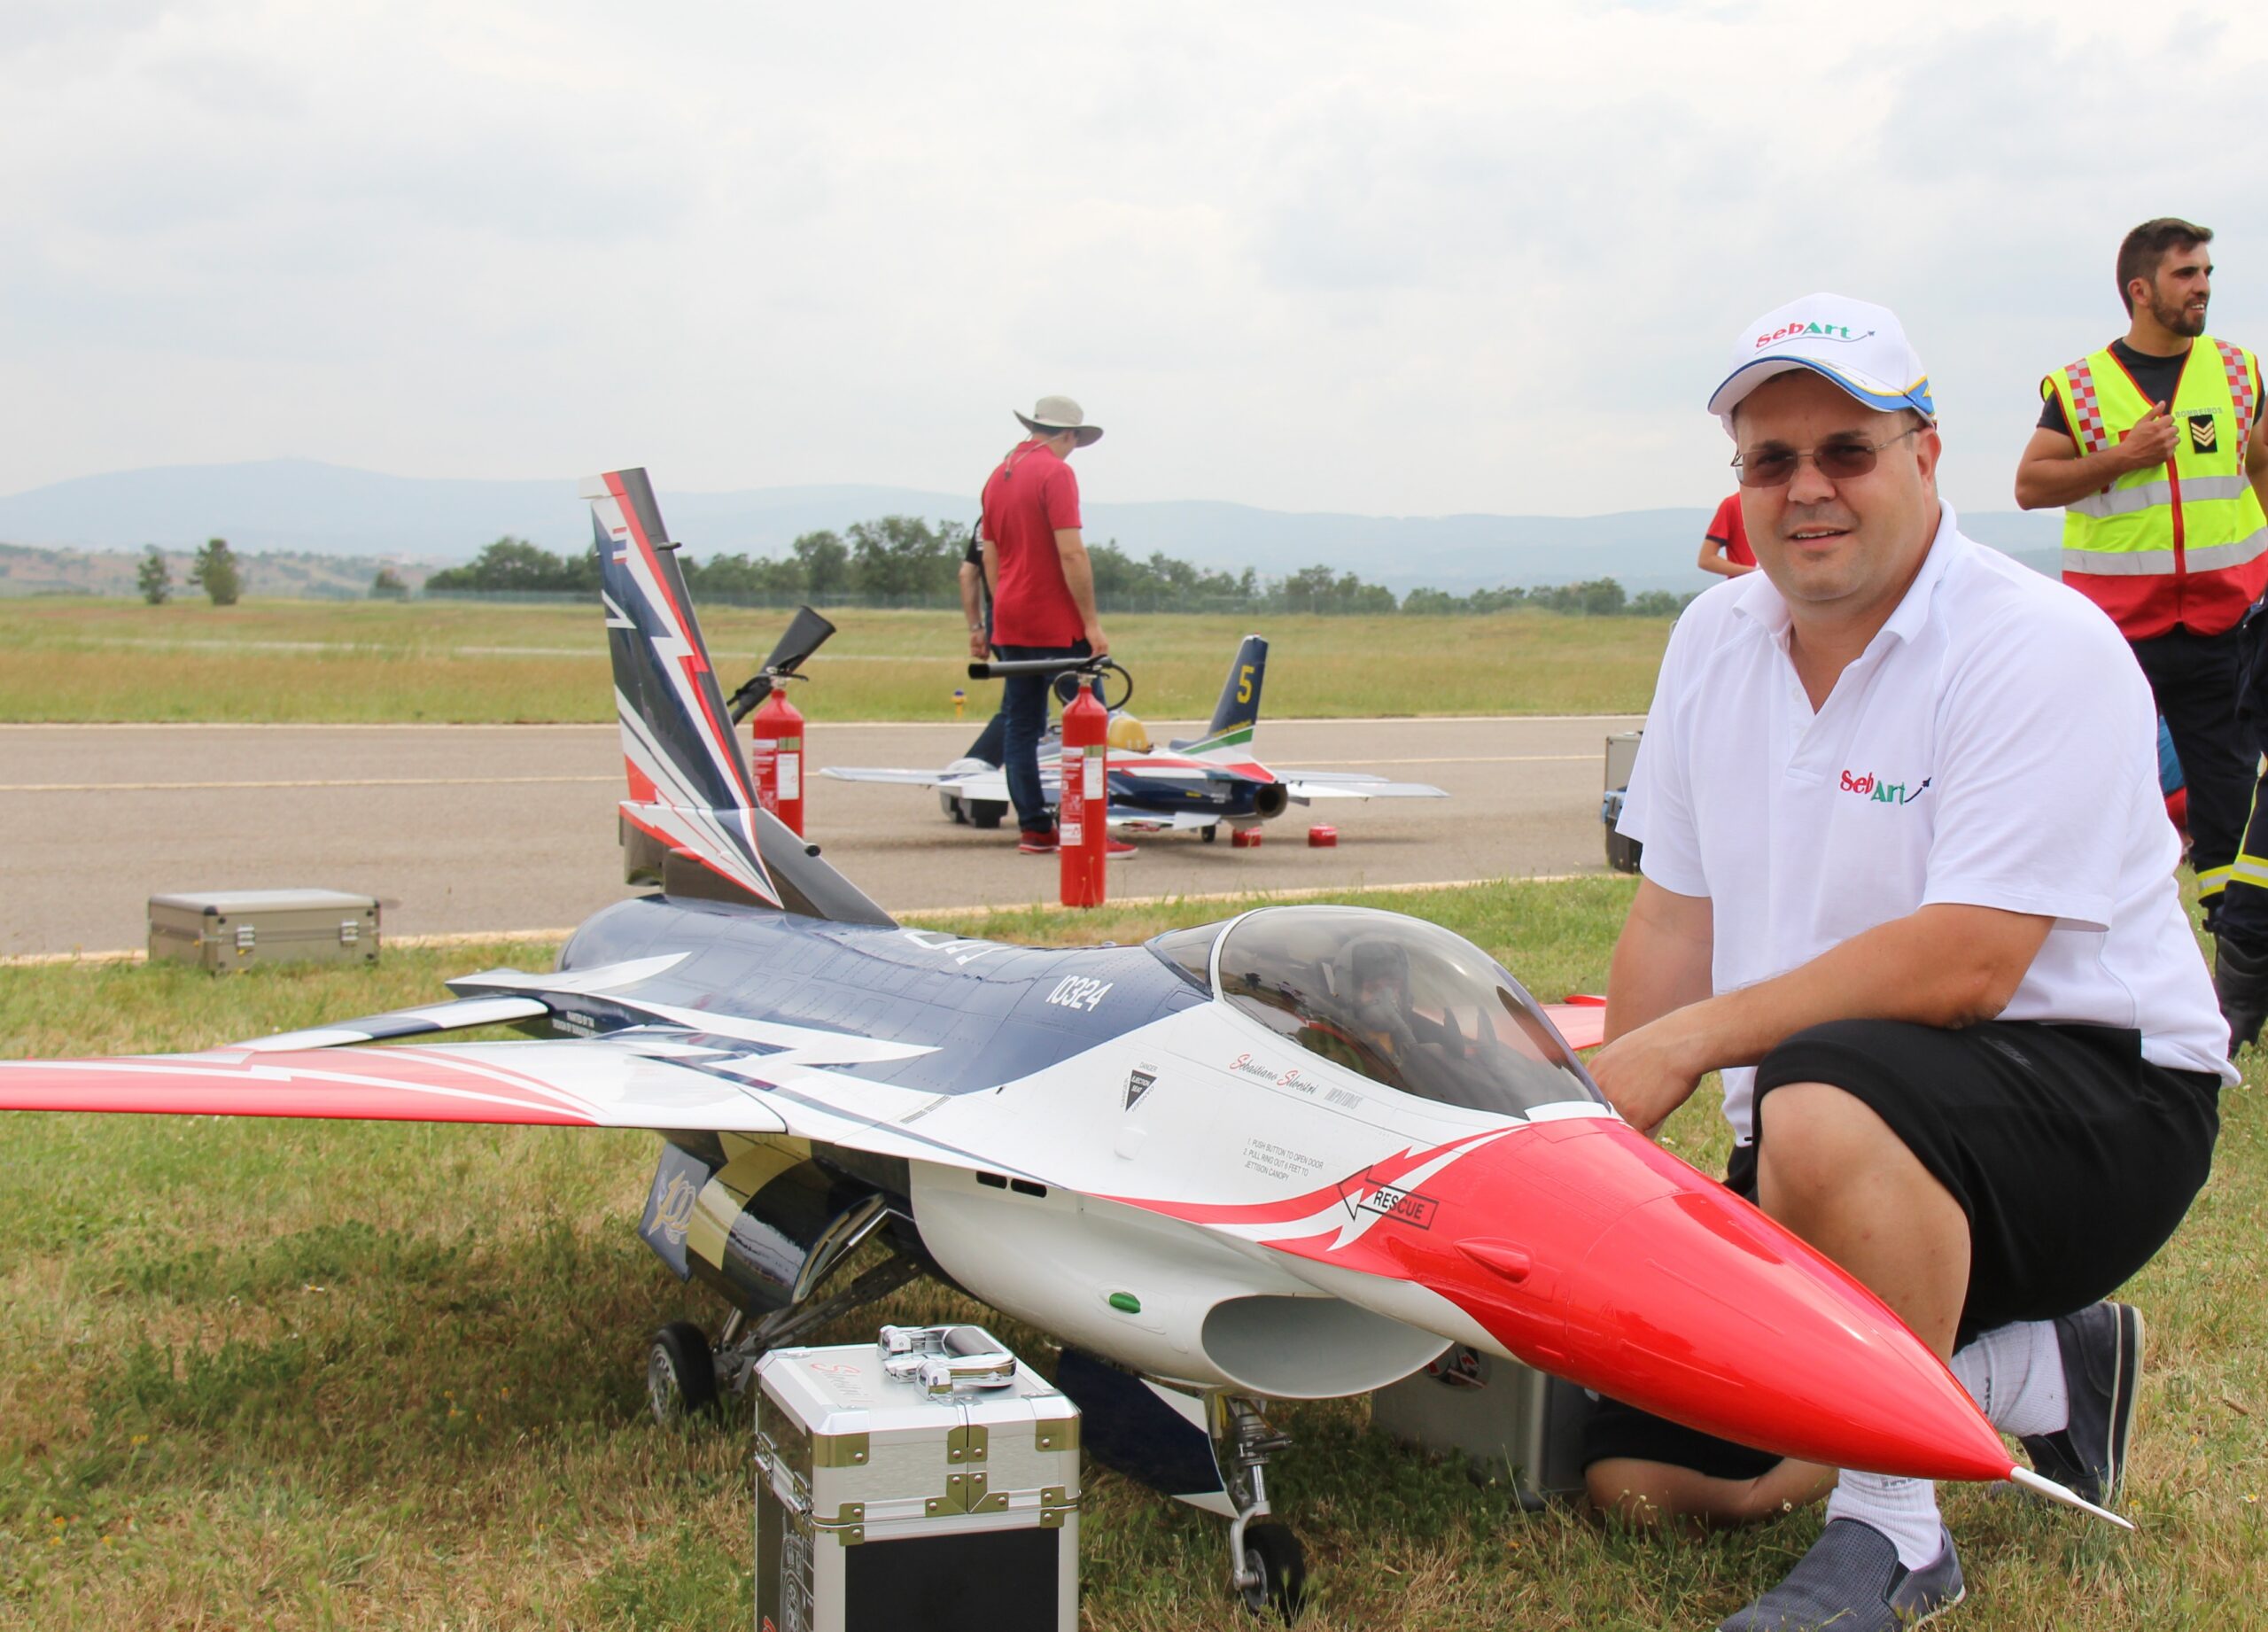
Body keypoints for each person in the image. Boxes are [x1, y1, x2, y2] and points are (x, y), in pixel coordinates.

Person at [1595, 292, 2230, 1632]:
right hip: (1847, 1120)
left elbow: (1970, 966)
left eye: (1847, 450)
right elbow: (1673, 917)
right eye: (1771, 460)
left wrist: (1690, 1043)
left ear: (1926, 455)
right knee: (1629, 1470)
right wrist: (1611, 1157)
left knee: (1821, 1086)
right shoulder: (1713, 643)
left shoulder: (2035, 642)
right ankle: (2030, 1376)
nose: (1807, 489)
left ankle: (1895, 1530)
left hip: (2101, 1100)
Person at [2013, 218, 2268, 1046]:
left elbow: (2257, 460)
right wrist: (2120, 458)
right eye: (2188, 274)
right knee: (2089, 797)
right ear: (2140, 290)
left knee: (2234, 809)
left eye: (2207, 272)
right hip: (2117, 636)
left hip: (2225, 625)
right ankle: (2064, 979)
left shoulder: (2237, 371)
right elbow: (2030, 485)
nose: (2203, 286)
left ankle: (2233, 1001)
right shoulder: (2082, 388)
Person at [978, 395, 1129, 857]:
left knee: (1020, 725)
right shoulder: (1056, 473)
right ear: (1067, 435)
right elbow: (1071, 552)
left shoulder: (997, 475)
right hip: (1057, 623)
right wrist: (1092, 624)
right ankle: (1087, 826)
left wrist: (998, 608)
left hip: (1010, 619)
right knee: (1091, 723)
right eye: (1075, 441)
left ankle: (1034, 827)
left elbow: (990, 553)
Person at [1697, 491, 1758, 578]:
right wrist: (1754, 572)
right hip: (1743, 585)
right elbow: (1706, 559)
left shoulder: (1779, 503)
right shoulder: (1732, 504)